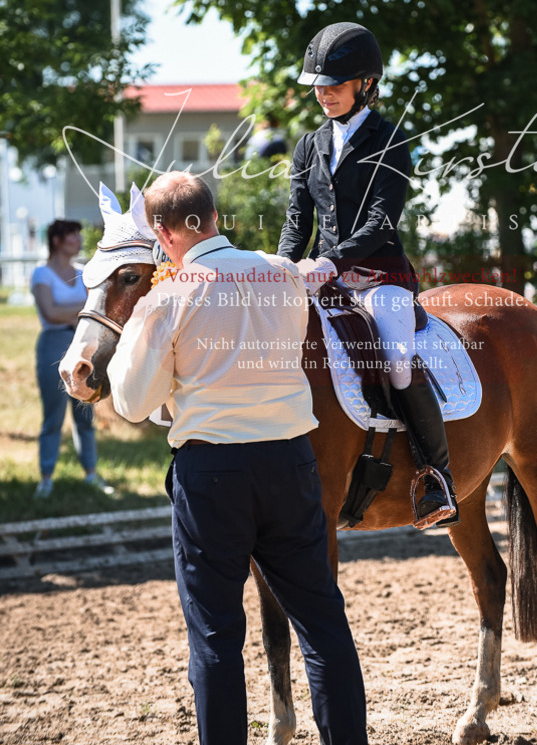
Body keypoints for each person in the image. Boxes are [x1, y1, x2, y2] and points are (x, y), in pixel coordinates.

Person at [107, 172, 368, 745]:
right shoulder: (281, 275)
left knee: (217, 635)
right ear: (215, 217)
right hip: (291, 463)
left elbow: (130, 402)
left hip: (213, 475)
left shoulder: (168, 298)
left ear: (161, 233)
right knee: (323, 623)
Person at [277, 21, 459, 528]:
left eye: (334, 83)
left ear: (366, 84)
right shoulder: (309, 146)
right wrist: (283, 269)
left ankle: (434, 476)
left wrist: (332, 262)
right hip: (320, 279)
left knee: (398, 361)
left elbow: (382, 221)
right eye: (317, 83)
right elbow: (297, 223)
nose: (322, 92)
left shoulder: (390, 138)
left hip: (381, 277)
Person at [30, 219, 111, 498]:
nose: (78, 240)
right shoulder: (42, 273)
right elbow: (50, 313)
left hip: (83, 344)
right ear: (57, 240)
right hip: (54, 343)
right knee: (53, 417)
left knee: (85, 414)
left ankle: (91, 474)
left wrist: (76, 310)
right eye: (72, 235)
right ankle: (46, 479)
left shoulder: (83, 272)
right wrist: (84, 309)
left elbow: (98, 308)